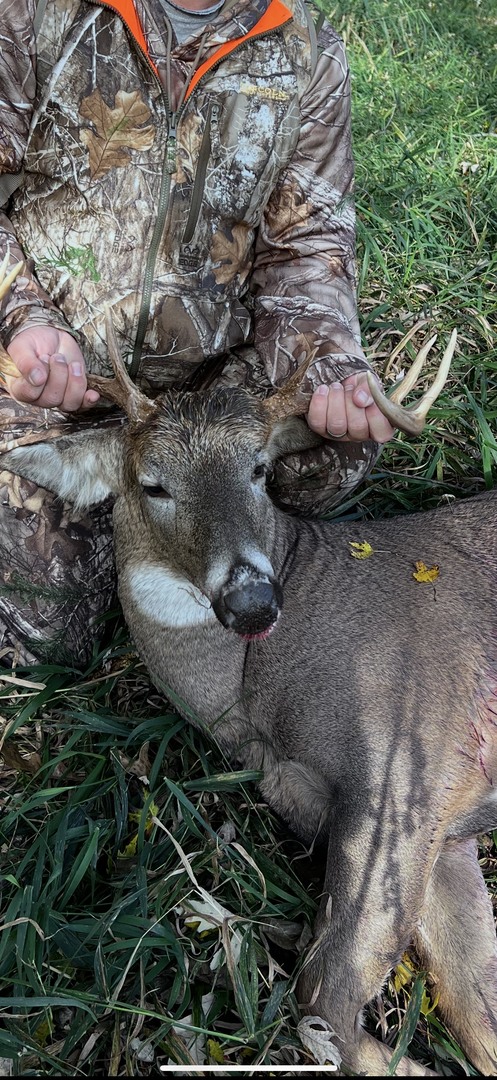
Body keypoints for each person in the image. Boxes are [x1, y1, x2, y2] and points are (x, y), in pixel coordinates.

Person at [0, 0, 393, 666]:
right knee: (47, 634)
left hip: (212, 383)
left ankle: (193, 518)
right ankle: (148, 511)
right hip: (59, 380)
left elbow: (306, 242)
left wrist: (325, 357)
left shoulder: (307, 51)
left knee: (342, 443)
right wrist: (22, 314)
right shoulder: (33, 14)